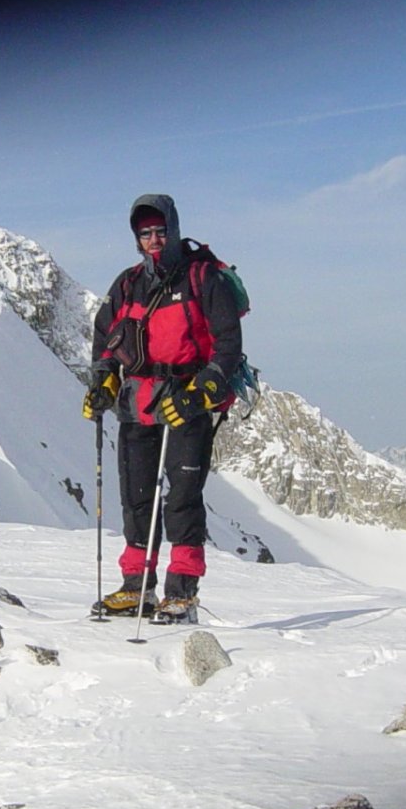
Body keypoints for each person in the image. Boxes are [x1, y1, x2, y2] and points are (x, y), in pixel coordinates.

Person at [83, 194, 243, 623]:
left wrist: (199, 394)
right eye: (145, 233)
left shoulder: (203, 278)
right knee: (137, 499)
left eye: (159, 231)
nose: (153, 240)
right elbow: (105, 340)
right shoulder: (128, 283)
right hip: (136, 404)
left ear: (172, 229)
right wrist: (102, 382)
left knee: (182, 500)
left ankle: (182, 593)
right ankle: (136, 588)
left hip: (186, 404)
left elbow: (228, 347)